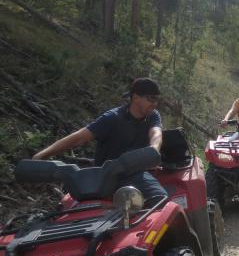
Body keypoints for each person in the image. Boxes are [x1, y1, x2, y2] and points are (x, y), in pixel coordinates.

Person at [32, 77, 168, 202]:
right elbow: (78, 138)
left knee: (160, 199)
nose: (155, 104)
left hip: (135, 174)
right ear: (136, 97)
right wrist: (43, 154)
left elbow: (156, 133)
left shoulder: (152, 116)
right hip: (106, 177)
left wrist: (154, 149)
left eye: (157, 100)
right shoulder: (112, 118)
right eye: (151, 98)